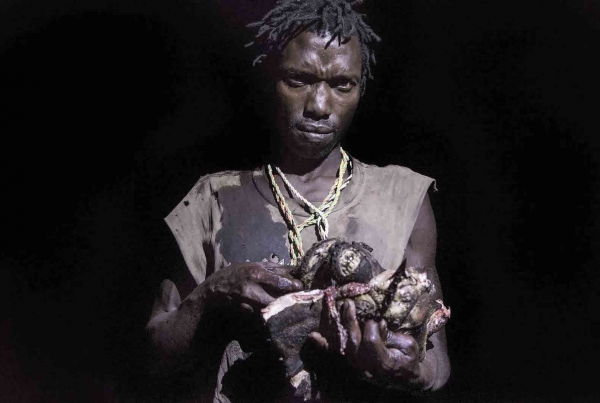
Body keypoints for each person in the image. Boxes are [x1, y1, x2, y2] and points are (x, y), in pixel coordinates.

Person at [145, 0, 450, 401]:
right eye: (298, 79)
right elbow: (154, 353)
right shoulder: (212, 201)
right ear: (270, 78)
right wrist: (214, 292)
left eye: (342, 84)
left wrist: (407, 370)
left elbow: (437, 365)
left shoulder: (403, 198)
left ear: (361, 87)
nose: (319, 106)